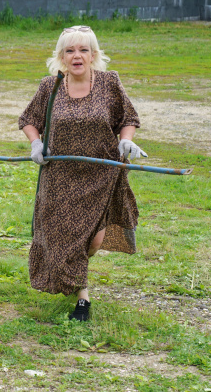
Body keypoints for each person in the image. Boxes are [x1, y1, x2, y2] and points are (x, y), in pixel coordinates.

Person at [19, 25, 147, 322]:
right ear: (61, 56)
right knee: (66, 238)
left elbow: (127, 118)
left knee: (94, 241)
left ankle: (71, 271)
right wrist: (36, 143)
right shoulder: (50, 86)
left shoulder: (109, 82)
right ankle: (82, 296)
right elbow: (29, 119)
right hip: (60, 177)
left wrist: (126, 141)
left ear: (93, 54)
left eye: (83, 50)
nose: (77, 56)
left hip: (101, 176)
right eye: (70, 50)